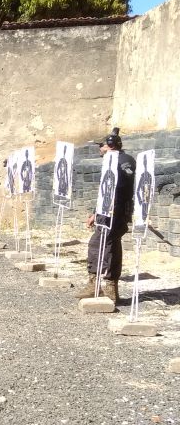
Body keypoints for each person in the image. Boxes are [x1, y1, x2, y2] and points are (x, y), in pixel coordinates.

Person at [77, 128, 136, 302]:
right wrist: (97, 212)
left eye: (101, 145)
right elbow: (106, 191)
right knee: (108, 245)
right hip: (106, 211)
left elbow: (123, 186)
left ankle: (106, 286)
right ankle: (102, 285)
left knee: (103, 244)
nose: (99, 149)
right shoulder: (110, 161)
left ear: (109, 145)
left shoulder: (124, 161)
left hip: (116, 211)